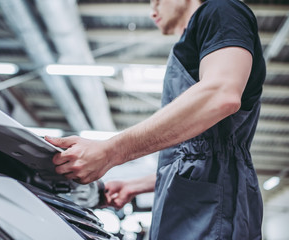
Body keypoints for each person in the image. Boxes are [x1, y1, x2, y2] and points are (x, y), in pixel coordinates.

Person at [45, 0, 265, 238]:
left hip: (211, 210)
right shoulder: (197, 38)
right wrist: (136, 185)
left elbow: (221, 94)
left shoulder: (222, 10)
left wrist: (111, 151)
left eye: (156, 0)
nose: (152, 10)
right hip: (192, 206)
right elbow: (196, 157)